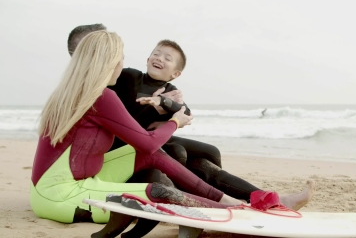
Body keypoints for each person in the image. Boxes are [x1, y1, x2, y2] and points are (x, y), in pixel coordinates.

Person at [66, 26, 313, 204]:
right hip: (134, 146)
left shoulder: (170, 90)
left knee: (208, 155)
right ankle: (219, 197)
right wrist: (163, 111)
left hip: (151, 139)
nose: (159, 59)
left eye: (167, 58)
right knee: (178, 153)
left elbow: (185, 112)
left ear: (176, 74)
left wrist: (164, 104)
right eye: (156, 54)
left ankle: (265, 198)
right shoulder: (125, 78)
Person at [31, 31, 245, 224]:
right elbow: (149, 141)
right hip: (60, 194)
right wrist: (174, 122)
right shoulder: (101, 96)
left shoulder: (73, 91)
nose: (122, 65)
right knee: (158, 191)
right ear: (109, 63)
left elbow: (147, 148)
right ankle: (226, 211)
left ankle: (226, 199)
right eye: (120, 59)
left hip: (69, 182)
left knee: (149, 155)